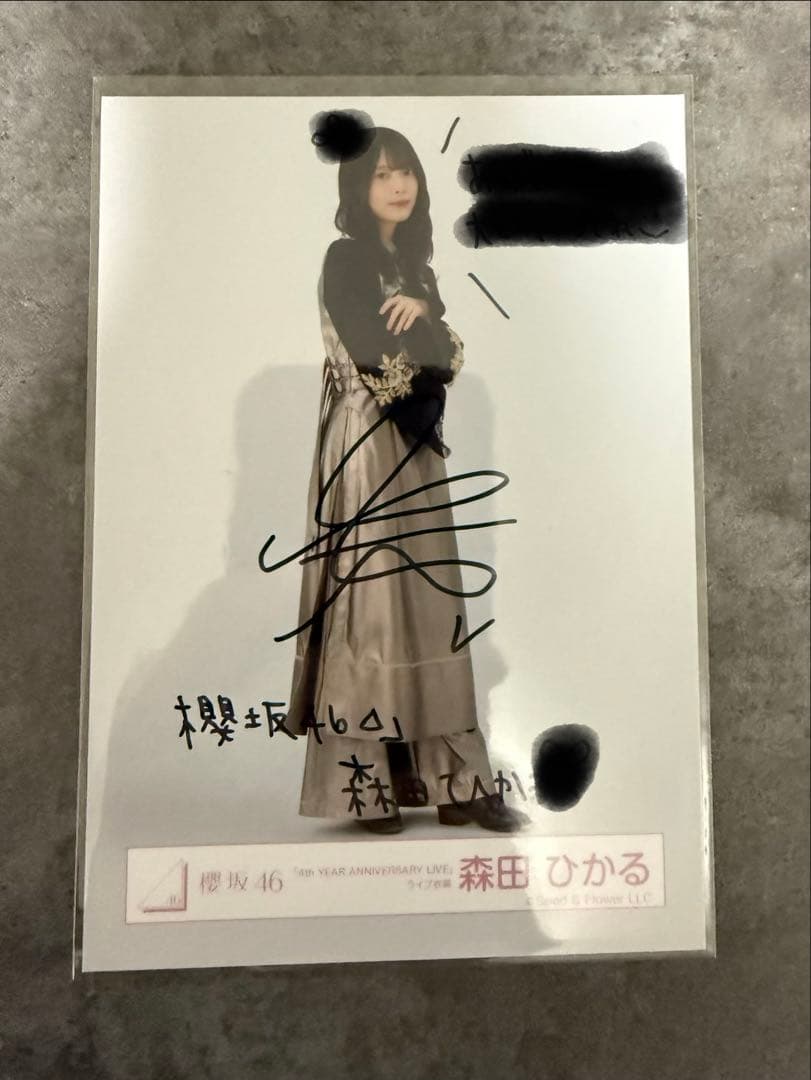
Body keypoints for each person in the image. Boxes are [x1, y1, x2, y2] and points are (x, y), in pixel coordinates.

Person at [285, 126, 525, 834]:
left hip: (416, 449)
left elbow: (442, 357)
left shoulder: (416, 269)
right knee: (373, 608)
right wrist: (431, 334)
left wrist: (425, 318)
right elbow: (379, 358)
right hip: (366, 446)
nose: (397, 186)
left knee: (429, 606)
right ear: (357, 188)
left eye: (407, 173)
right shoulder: (345, 260)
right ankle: (367, 784)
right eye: (381, 175)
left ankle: (457, 782)